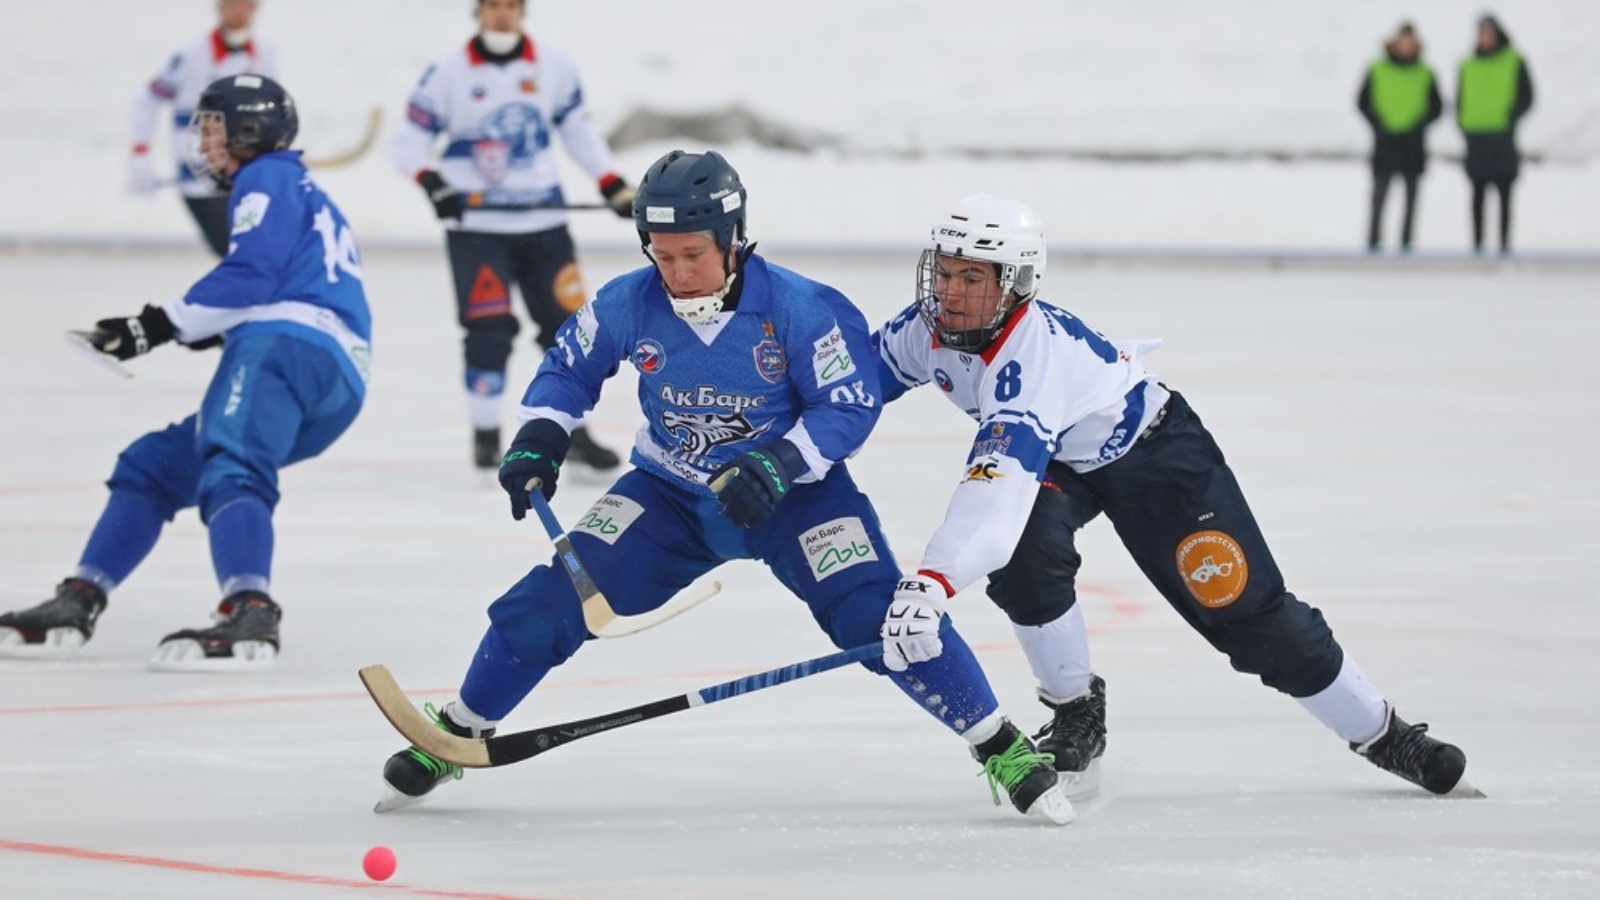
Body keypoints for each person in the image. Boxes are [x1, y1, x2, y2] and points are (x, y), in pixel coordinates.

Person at [373, 150, 1074, 825]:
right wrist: (541, 434)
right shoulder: (630, 301)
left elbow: (849, 405)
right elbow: (568, 366)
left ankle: (998, 744)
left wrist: (777, 464)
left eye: (693, 255)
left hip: (797, 498)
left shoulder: (801, 308)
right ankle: (456, 733)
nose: (676, 272)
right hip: (668, 497)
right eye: (662, 253)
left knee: (875, 617)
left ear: (734, 242)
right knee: (546, 605)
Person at [869, 194, 1473, 797]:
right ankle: (1076, 711)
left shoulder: (1032, 361)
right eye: (944, 272)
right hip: (1063, 459)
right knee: (1024, 559)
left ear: (1017, 283)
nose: (949, 292)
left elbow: (993, 490)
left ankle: (1383, 732)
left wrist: (930, 582)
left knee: (1246, 613)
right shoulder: (927, 330)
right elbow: (852, 387)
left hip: (1156, 457)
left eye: (972, 277)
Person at [0, 75, 371, 672]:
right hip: (333, 374)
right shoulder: (298, 187)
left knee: (233, 465)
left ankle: (250, 610)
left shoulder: (266, 175)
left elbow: (252, 274)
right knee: (153, 466)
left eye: (214, 127)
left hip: (285, 347)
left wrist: (153, 325)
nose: (204, 142)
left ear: (251, 129)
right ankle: (80, 598)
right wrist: (200, 327)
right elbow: (276, 280)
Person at [391, 0, 630, 474]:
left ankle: (572, 432)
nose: (502, 15)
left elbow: (578, 130)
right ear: (478, 11)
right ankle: (486, 437)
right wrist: (431, 179)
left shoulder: (554, 67)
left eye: (511, 6)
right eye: (493, 5)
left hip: (545, 228)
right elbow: (406, 143)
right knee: (488, 332)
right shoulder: (447, 72)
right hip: (478, 231)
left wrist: (609, 181)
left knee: (571, 334)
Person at [128, 0, 279, 258]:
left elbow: (270, 110)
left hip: (243, 174)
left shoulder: (265, 52)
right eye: (232, 5)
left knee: (256, 252)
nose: (239, 12)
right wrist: (140, 154)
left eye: (246, 5)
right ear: (220, 8)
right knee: (234, 252)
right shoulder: (190, 55)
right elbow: (148, 100)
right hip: (200, 176)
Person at [1356, 22, 1443, 253]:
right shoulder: (1377, 69)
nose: (1406, 47)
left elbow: (1437, 107)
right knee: (1379, 197)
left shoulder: (1425, 73)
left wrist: (1419, 125)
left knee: (1411, 200)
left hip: (1413, 144)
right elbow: (1362, 102)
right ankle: (1373, 244)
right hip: (1385, 142)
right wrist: (1378, 124)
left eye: (1410, 42)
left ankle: (1406, 245)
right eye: (1402, 42)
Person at [1456, 13, 1534, 255]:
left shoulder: (1514, 60)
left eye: (1489, 33)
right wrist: (1465, 122)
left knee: (1504, 192)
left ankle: (1504, 245)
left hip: (1502, 136)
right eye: (1481, 33)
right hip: (1477, 137)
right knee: (1477, 193)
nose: (1485, 38)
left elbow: (1527, 96)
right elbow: (1460, 97)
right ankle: (1477, 246)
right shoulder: (1468, 63)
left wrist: (1510, 117)